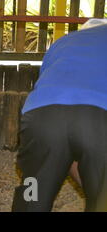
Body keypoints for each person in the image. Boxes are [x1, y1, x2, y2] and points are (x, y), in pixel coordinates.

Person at [12, 21, 107, 212]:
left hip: (42, 117)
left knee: (33, 193)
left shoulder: (63, 42)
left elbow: (65, 141)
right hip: (98, 119)